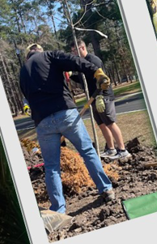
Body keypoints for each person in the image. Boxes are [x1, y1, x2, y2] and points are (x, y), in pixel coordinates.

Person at [20, 44, 115, 215]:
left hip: (43, 123)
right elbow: (74, 60)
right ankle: (106, 189)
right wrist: (96, 71)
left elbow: (27, 97)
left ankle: (58, 209)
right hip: (65, 114)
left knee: (51, 166)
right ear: (40, 51)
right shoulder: (49, 56)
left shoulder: (23, 71)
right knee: (87, 151)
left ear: (28, 56)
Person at [71, 39, 129, 160]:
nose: (73, 53)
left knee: (110, 123)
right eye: (72, 51)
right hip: (93, 98)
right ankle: (111, 149)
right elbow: (84, 80)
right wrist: (71, 75)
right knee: (102, 125)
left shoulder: (93, 60)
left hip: (103, 97)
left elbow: (102, 80)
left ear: (82, 48)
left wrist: (101, 96)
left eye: (74, 50)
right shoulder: (81, 63)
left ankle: (123, 150)